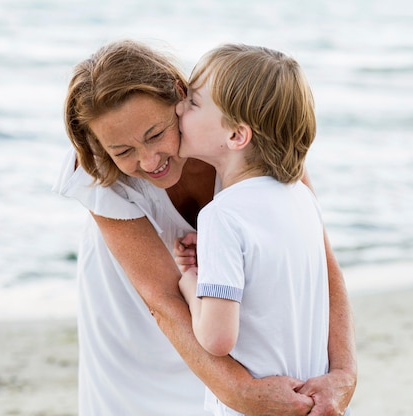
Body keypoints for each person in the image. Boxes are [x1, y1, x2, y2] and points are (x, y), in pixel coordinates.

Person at [54, 39, 356, 415]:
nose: (149, 161)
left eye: (155, 134)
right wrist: (240, 392)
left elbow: (322, 261)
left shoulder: (248, 143)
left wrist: (344, 374)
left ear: (179, 99)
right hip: (136, 326)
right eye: (123, 152)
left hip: (218, 324)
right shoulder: (97, 167)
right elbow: (162, 302)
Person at [174, 43, 342, 416]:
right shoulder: (301, 199)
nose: (179, 107)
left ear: (237, 135)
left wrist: (189, 282)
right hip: (306, 399)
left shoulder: (222, 217)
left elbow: (217, 339)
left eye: (194, 102)